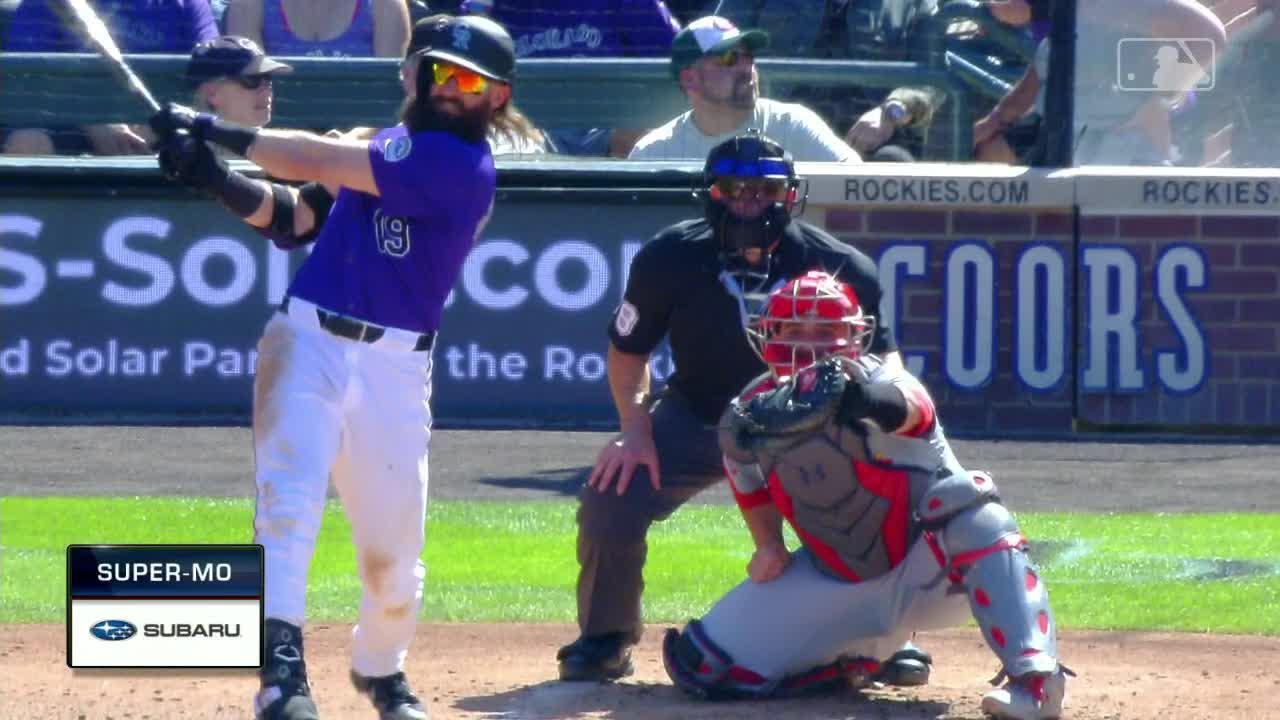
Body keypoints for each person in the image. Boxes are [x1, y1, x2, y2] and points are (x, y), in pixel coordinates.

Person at [147, 14, 515, 720]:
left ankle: (381, 670)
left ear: (497, 99)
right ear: (412, 74)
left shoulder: (461, 168)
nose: (451, 88)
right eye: (439, 70)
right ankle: (282, 681)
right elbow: (292, 218)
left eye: (471, 81)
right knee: (287, 508)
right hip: (307, 339)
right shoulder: (380, 146)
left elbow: (313, 162)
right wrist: (215, 177)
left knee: (395, 558)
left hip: (395, 369)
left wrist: (214, 132)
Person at [557, 132, 935, 688]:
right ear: (709, 193)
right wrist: (634, 432)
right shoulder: (670, 258)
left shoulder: (839, 266)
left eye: (764, 188)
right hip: (700, 413)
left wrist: (880, 435)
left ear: (791, 195)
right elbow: (627, 351)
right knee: (613, 492)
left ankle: (887, 637)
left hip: (812, 424)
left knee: (874, 505)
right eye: (733, 188)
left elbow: (886, 367)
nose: (748, 199)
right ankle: (606, 638)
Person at [660, 270, 1071, 720]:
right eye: (795, 329)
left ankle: (1035, 681)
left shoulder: (882, 380)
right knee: (704, 665)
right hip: (839, 574)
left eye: (827, 330)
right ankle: (856, 659)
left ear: (855, 336)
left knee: (971, 505)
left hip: (932, 570)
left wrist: (863, 401)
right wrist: (768, 547)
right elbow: (745, 477)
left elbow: (913, 410)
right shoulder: (751, 408)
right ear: (769, 334)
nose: (809, 344)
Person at [710, 0, 945, 162]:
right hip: (773, 133)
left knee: (894, 165)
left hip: (872, 143)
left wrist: (891, 112)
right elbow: (715, 42)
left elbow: (934, 76)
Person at [628, 16, 862, 161]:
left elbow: (856, 181)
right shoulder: (654, 153)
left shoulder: (793, 126)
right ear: (689, 79)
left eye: (748, 54)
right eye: (729, 57)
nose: (746, 66)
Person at [1, 0, 217, 156]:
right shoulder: (45, 4)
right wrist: (92, 121)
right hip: (70, 126)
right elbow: (26, 85)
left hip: (163, 125)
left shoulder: (187, 4)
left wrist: (162, 122)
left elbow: (213, 77)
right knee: (27, 141)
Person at [485, 1, 681, 158]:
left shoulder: (632, 4)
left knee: (638, 139)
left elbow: (679, 64)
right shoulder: (491, 8)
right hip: (524, 133)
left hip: (608, 131)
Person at [226, 0, 410, 57]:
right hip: (274, 142)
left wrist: (353, 138)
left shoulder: (386, 5)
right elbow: (244, 96)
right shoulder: (248, 5)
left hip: (358, 144)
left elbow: (390, 99)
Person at [188, 36, 293, 131]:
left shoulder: (279, 150)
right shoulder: (186, 149)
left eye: (267, 79)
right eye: (252, 80)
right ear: (212, 93)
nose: (266, 91)